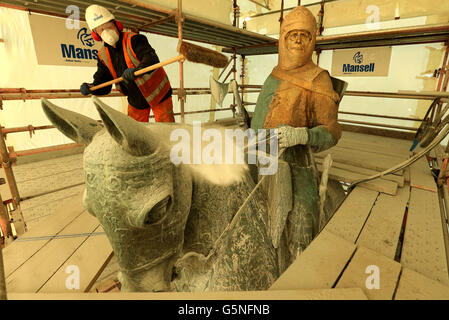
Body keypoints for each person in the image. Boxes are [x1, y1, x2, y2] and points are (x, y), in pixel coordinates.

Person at [250, 6, 342, 267]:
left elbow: (333, 131)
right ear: (283, 38)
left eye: (304, 35)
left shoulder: (318, 79)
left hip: (295, 161)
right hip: (259, 152)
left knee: (301, 221)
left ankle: (299, 269)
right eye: (293, 35)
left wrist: (301, 134)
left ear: (312, 39)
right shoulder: (274, 74)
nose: (298, 40)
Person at [80, 4, 175, 123]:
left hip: (158, 94)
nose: (107, 32)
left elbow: (151, 58)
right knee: (135, 134)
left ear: (117, 25)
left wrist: (137, 70)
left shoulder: (135, 40)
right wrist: (92, 88)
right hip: (136, 100)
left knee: (166, 131)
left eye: (109, 26)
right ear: (96, 35)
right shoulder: (103, 55)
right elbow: (104, 85)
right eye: (101, 30)